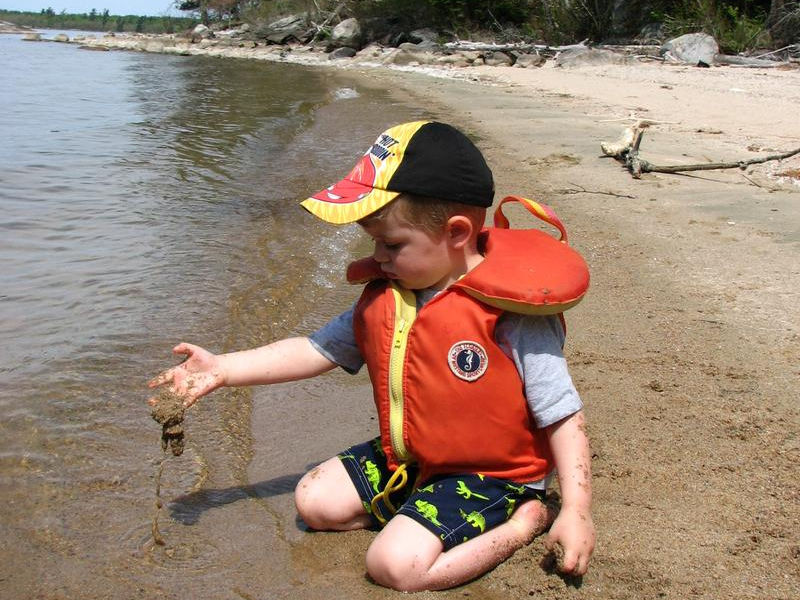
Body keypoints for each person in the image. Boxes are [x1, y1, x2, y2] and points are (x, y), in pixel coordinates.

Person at [148, 121, 595, 591]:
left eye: (392, 244)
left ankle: (524, 521)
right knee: (313, 502)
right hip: (414, 458)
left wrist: (576, 509)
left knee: (393, 567)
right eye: (373, 242)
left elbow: (562, 413)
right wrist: (222, 368)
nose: (377, 256)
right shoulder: (392, 295)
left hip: (494, 474)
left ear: (457, 232)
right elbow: (315, 349)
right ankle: (424, 511)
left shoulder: (513, 314)